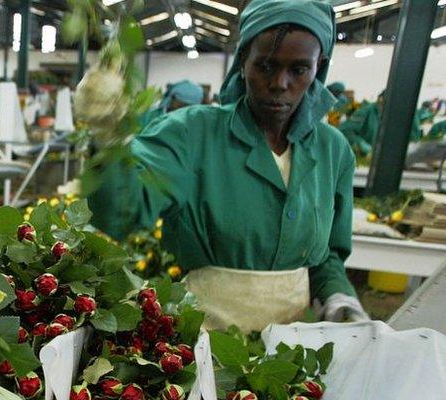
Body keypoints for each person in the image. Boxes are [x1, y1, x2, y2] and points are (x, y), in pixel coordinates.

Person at [90, 0, 368, 333]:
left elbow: (326, 259)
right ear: (242, 62)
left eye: (298, 70)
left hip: (290, 350)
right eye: (266, 65)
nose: (280, 83)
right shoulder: (192, 134)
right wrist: (107, 142)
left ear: (318, 67)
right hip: (202, 339)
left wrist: (340, 298)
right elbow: (121, 211)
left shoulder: (332, 151)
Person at [338, 91, 422, 157]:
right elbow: (345, 131)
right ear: (380, 100)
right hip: (366, 156)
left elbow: (415, 137)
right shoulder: (366, 112)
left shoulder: (401, 114)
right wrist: (363, 145)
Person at [138, 80, 204, 128]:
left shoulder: (194, 126)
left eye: (189, 108)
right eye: (181, 106)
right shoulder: (148, 117)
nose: (184, 110)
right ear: (172, 98)